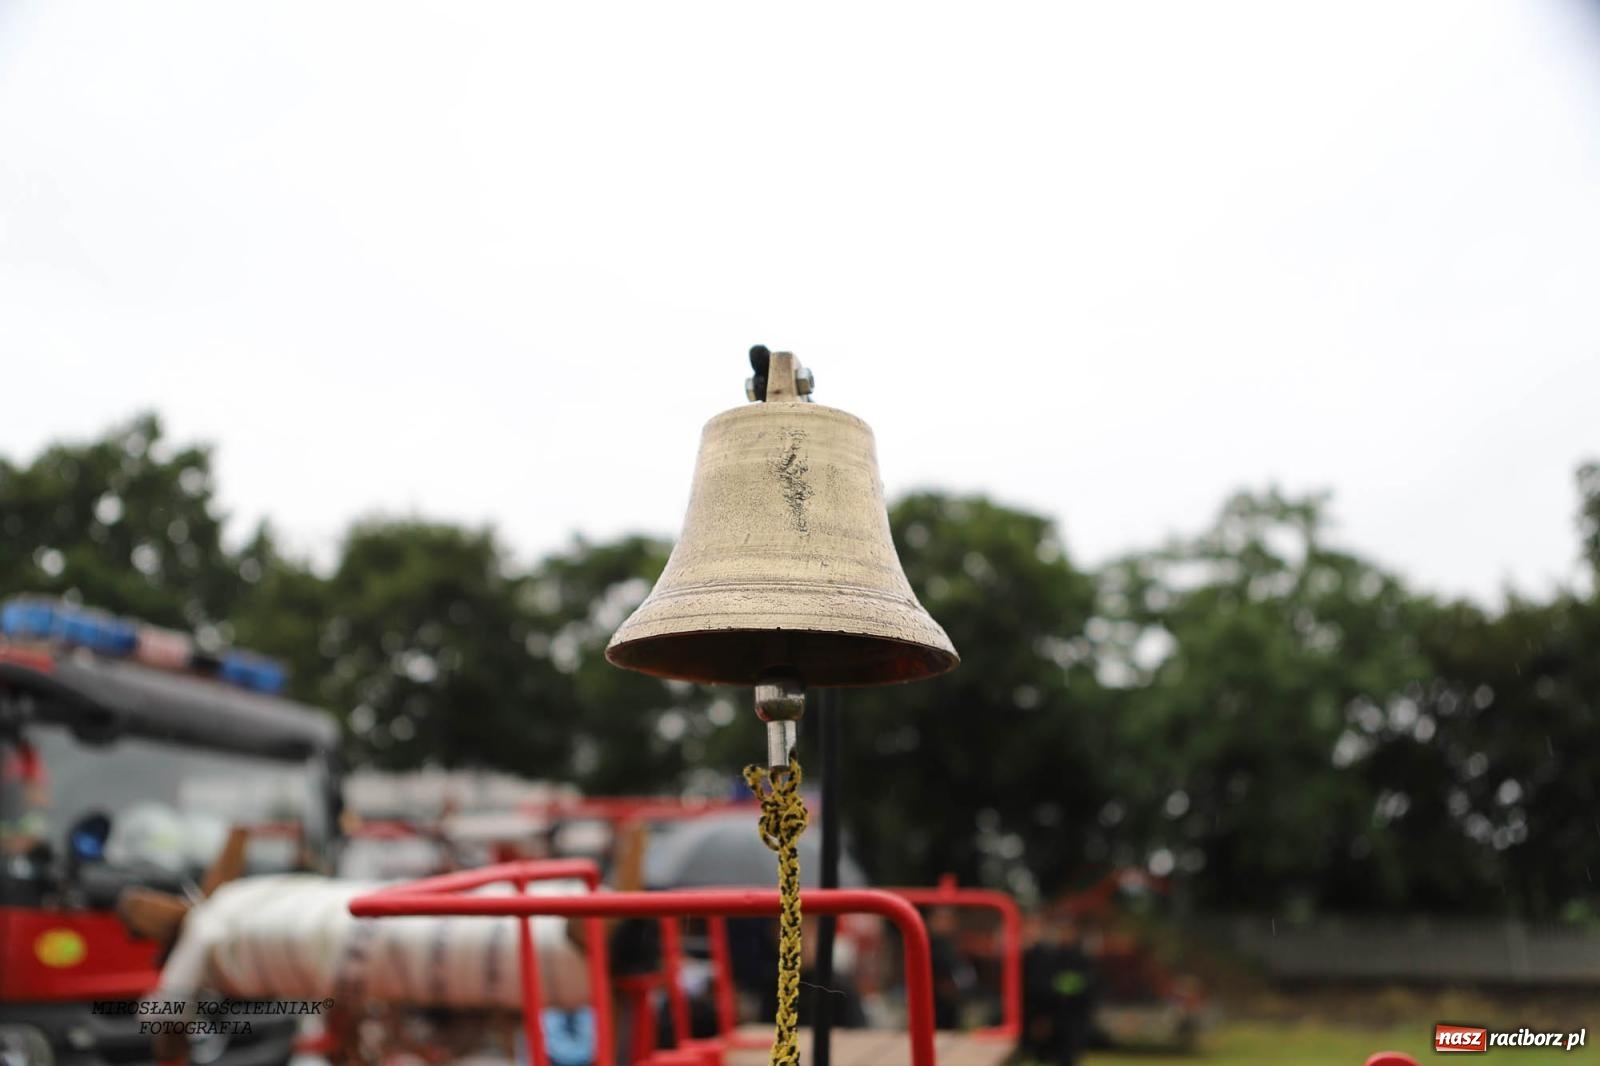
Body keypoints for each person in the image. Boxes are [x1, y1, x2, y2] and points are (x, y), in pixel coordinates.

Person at [1021, 911, 1096, 1066]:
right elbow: (1041, 987)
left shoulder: (1080, 957)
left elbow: (1083, 985)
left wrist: (1059, 987)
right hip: (1052, 1015)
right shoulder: (1048, 956)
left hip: (1073, 1017)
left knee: (1067, 1056)